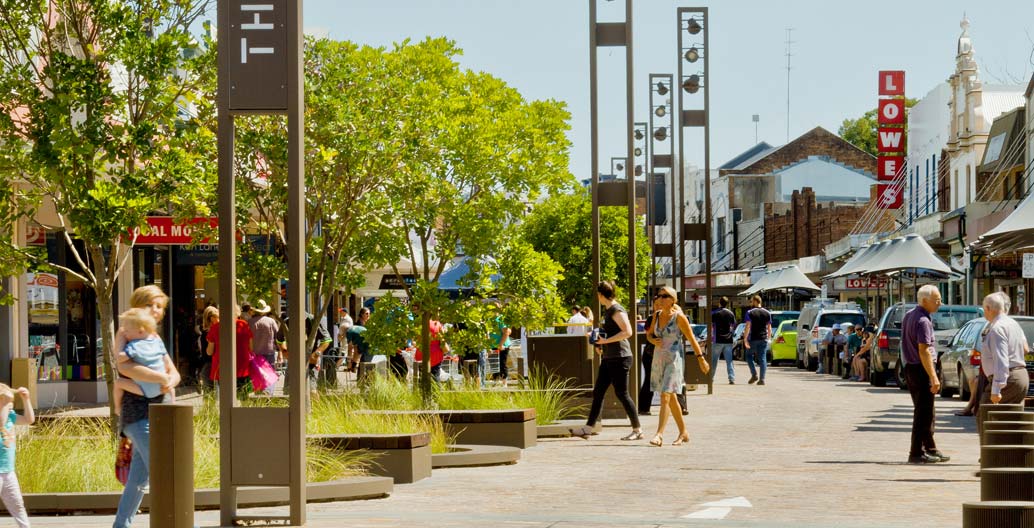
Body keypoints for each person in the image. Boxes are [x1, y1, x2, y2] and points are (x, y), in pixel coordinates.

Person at [114, 285, 182, 528]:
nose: (155, 310)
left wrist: (169, 380)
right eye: (149, 304)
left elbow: (173, 372)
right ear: (137, 305)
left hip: (160, 411)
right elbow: (124, 368)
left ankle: (121, 524)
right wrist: (161, 379)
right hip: (138, 414)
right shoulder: (125, 333)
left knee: (138, 478)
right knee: (164, 466)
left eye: (159, 306)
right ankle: (179, 521)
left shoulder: (155, 337)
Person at [570, 281, 643, 441]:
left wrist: (606, 341)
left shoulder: (616, 310)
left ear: (601, 295)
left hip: (620, 357)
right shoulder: (609, 310)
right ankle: (588, 428)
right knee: (599, 391)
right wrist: (598, 341)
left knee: (622, 393)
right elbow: (611, 332)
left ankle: (637, 429)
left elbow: (628, 332)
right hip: (610, 356)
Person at [647, 286, 703, 446]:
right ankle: (683, 432)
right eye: (659, 296)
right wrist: (652, 340)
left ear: (672, 299)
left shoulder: (679, 317)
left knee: (665, 395)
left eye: (664, 296)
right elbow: (650, 334)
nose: (660, 298)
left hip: (674, 361)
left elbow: (692, 339)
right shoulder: (656, 315)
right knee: (671, 398)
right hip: (659, 359)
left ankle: (659, 435)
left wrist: (701, 359)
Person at [901, 285, 950, 464]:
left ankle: (930, 447)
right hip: (921, 369)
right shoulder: (923, 321)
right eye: (936, 300)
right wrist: (933, 376)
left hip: (911, 368)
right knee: (923, 413)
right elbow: (924, 350)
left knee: (927, 411)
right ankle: (916, 452)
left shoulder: (909, 315)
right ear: (924, 301)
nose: (940, 303)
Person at [977, 291, 1031, 435]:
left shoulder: (997, 328)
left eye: (984, 309)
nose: (984, 313)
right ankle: (1011, 456)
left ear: (989, 308)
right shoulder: (1013, 323)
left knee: (986, 416)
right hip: (1019, 374)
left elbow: (1001, 360)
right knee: (1011, 419)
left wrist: (996, 389)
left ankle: (991, 457)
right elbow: (1025, 348)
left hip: (1008, 378)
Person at [113, 308, 172, 416]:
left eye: (127, 331)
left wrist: (118, 353)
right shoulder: (156, 342)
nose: (125, 333)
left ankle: (117, 408)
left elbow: (120, 358)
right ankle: (173, 401)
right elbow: (166, 363)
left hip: (146, 390)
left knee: (118, 383)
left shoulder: (134, 345)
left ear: (140, 331)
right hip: (162, 388)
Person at [0, 383, 34, 528]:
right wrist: (4, 403)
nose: (11, 406)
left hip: (8, 471)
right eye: (8, 403)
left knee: (18, 505)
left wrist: (26, 399)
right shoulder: (3, 417)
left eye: (12, 403)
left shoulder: (11, 417)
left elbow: (29, 419)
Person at [207, 305, 254, 392]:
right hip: (242, 366)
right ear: (237, 312)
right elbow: (251, 348)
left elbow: (209, 352)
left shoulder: (215, 327)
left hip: (222, 367)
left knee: (226, 395)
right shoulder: (243, 324)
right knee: (243, 396)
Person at [638, 296, 663, 416]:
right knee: (649, 380)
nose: (658, 307)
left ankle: (680, 407)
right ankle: (643, 407)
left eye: (660, 304)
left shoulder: (670, 318)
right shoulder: (650, 318)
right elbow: (648, 333)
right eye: (656, 304)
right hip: (650, 354)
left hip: (666, 355)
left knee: (671, 379)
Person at [743, 295, 771, 385]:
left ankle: (754, 374)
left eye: (751, 301)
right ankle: (762, 379)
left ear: (755, 301)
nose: (751, 303)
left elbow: (748, 326)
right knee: (762, 358)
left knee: (748, 356)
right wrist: (769, 338)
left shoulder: (750, 312)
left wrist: (745, 338)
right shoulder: (767, 313)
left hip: (753, 338)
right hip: (763, 338)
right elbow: (769, 327)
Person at [710, 296, 737, 385]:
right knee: (729, 361)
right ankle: (731, 378)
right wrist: (731, 334)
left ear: (719, 303)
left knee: (714, 360)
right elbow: (733, 325)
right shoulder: (731, 313)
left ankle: (711, 378)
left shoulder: (714, 313)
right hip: (728, 340)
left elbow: (711, 326)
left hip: (717, 340)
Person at [250, 300, 280, 371]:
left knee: (256, 378)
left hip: (254, 353)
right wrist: (280, 352)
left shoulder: (249, 322)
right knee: (269, 377)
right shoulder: (271, 321)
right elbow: (278, 337)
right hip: (269, 352)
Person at [490, 309, 512, 387]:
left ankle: (504, 383)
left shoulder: (501, 319)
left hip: (503, 346)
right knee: (493, 364)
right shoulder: (489, 319)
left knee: (502, 364)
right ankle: (495, 382)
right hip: (492, 346)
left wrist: (500, 344)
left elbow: (506, 333)